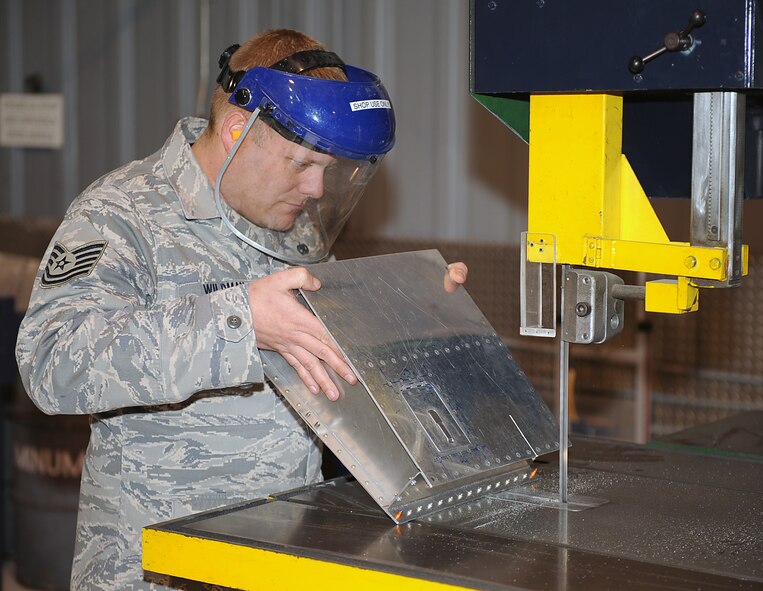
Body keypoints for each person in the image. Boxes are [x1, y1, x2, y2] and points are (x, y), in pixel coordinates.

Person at [15, 29, 467, 590]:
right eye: (301, 164)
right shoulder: (121, 214)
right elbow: (51, 363)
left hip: (273, 556)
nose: (317, 189)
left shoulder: (293, 228)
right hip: (155, 568)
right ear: (237, 131)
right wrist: (239, 322)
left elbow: (328, 363)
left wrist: (415, 313)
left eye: (327, 168)